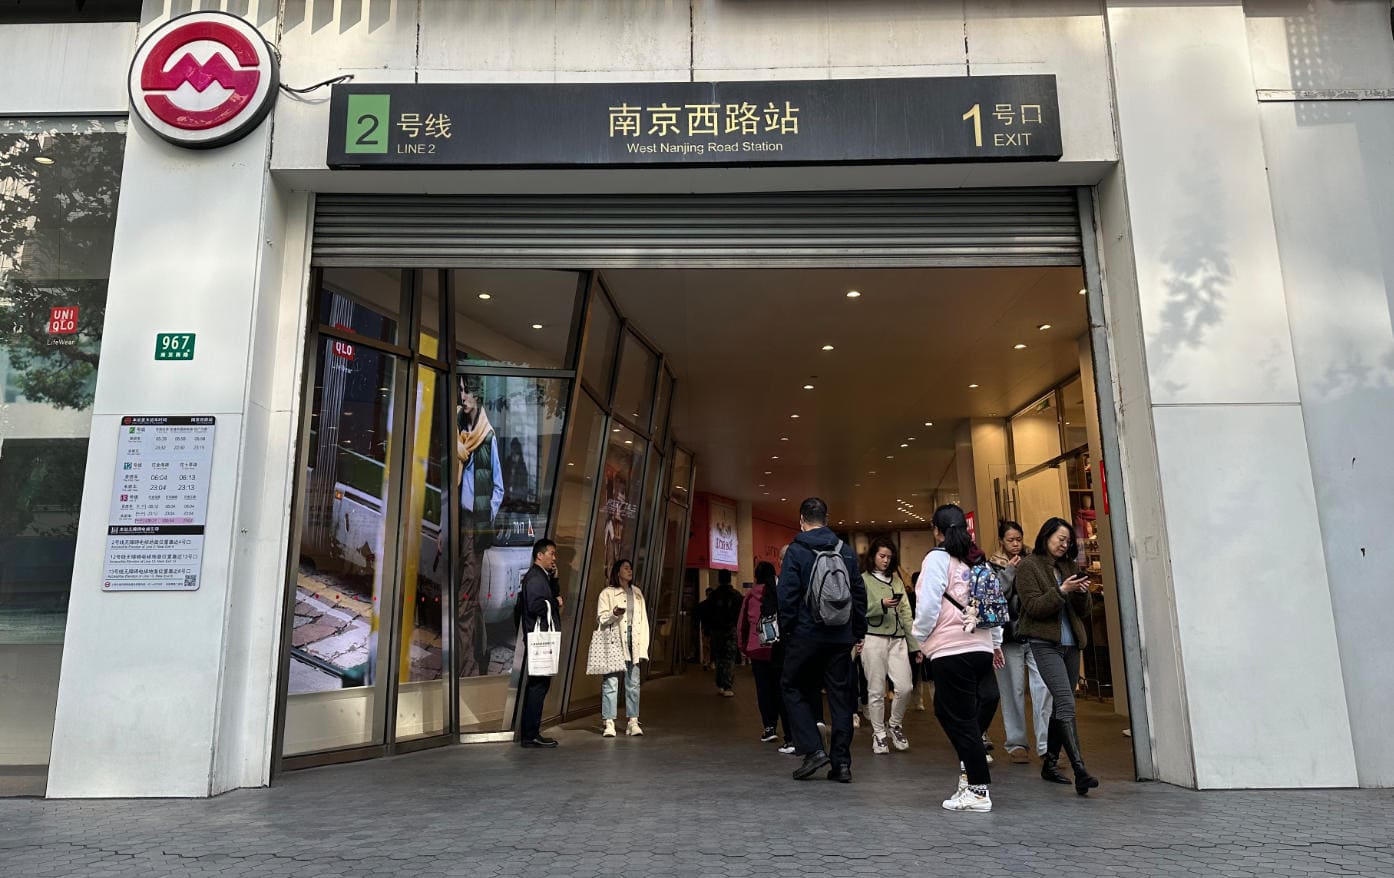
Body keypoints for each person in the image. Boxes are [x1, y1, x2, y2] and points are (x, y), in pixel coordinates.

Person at [913, 504, 1003, 813]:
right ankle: (971, 768)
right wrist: (996, 643)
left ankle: (977, 790)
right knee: (947, 710)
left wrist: (921, 638)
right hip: (980, 646)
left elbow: (927, 606)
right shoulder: (979, 560)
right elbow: (994, 605)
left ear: (937, 530)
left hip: (951, 650)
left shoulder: (936, 559)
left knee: (960, 719)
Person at [777, 497, 866, 783]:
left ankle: (813, 748)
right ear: (827, 519)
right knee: (841, 699)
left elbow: (787, 596)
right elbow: (858, 594)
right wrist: (858, 631)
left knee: (792, 686)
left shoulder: (797, 550)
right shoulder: (846, 551)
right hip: (840, 638)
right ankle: (841, 765)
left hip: (806, 635)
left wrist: (788, 630)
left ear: (801, 520)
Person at [1014, 517, 1100, 796]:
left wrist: (1081, 594)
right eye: (1060, 539)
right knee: (1065, 701)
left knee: (1061, 706)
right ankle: (1080, 770)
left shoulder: (1069, 566)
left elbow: (1082, 612)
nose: (1064, 545)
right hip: (1044, 644)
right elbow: (1035, 607)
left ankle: (1050, 763)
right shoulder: (1028, 566)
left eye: (1068, 541)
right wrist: (1062, 590)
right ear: (1046, 535)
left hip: (1071, 644)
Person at [989, 520, 1053, 764]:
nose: (1016, 544)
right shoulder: (993, 564)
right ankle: (1016, 743)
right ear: (1001, 542)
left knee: (1043, 689)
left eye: (1018, 539)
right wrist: (1010, 573)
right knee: (1012, 690)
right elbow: (995, 597)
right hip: (1009, 636)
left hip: (1036, 632)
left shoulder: (1035, 558)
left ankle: (1046, 745)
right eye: (1010, 540)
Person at [455, 376, 505, 678]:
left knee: (465, 597)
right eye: (461, 390)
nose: (463, 396)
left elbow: (498, 487)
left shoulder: (488, 438)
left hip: (476, 525)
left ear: (478, 395)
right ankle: (480, 654)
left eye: (467, 390)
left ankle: (467, 668)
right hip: (458, 521)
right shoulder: (459, 429)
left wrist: (486, 516)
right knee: (466, 597)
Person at [861, 536, 919, 755]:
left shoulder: (895, 580)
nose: (885, 561)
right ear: (873, 556)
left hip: (898, 639)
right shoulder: (863, 580)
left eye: (889, 557)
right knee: (876, 690)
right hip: (873, 637)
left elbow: (905, 612)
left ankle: (894, 724)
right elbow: (859, 610)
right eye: (881, 556)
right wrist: (880, 605)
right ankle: (879, 733)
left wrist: (914, 645)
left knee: (905, 687)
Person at [594, 558, 649, 738]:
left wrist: (644, 648)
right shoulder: (607, 594)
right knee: (611, 682)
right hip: (614, 641)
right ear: (618, 572)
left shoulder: (638, 593)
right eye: (626, 568)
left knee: (633, 683)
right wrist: (614, 614)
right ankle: (609, 722)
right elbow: (601, 619)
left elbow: (644, 622)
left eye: (630, 568)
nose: (629, 571)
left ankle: (633, 721)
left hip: (634, 641)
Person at [739, 561, 789, 745]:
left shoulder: (750, 596)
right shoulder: (779, 593)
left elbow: (742, 625)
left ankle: (769, 727)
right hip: (777, 648)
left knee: (763, 690)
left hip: (757, 650)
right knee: (779, 689)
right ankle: (788, 731)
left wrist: (743, 647)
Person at [518, 538, 562, 748]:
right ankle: (530, 734)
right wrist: (555, 602)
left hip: (543, 638)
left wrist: (555, 580)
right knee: (538, 685)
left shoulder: (542, 576)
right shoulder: (534, 578)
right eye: (551, 554)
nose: (554, 558)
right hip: (539, 638)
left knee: (541, 684)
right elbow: (536, 605)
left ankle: (532, 732)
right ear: (539, 555)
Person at [707, 571, 743, 696]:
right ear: (730, 580)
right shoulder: (736, 595)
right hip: (730, 629)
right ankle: (728, 686)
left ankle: (720, 684)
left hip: (716, 631)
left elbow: (709, 614)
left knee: (718, 657)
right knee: (729, 657)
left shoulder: (713, 595)